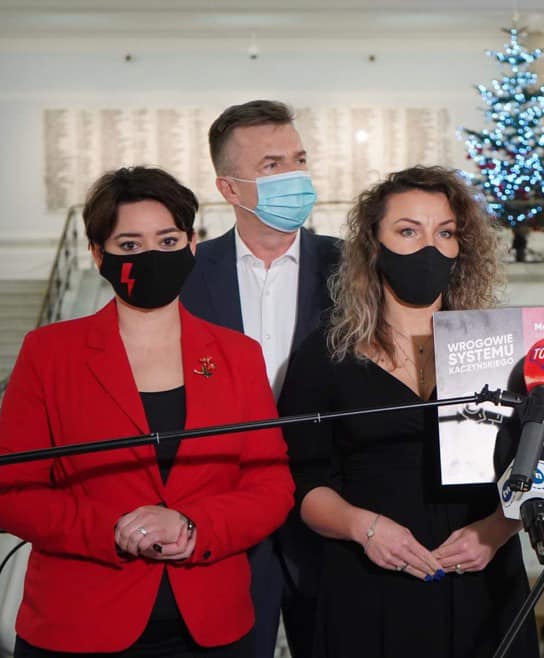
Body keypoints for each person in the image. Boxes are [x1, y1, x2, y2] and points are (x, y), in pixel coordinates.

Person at [0, 166, 293, 656]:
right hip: (78, 624)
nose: (152, 256)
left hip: (212, 626)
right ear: (97, 255)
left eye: (168, 241)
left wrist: (193, 526)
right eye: (129, 245)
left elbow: (271, 486)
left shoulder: (238, 355)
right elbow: (10, 492)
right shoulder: (49, 353)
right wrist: (115, 529)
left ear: (192, 245)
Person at [280, 165, 544, 658]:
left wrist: (495, 531)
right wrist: (365, 528)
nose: (430, 248)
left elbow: (537, 467)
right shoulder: (325, 354)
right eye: (408, 231)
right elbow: (302, 483)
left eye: (445, 233)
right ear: (373, 245)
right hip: (368, 589)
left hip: (483, 587)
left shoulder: (501, 348)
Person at [180, 99, 339, 658]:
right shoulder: (185, 275)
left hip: (331, 510)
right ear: (229, 188)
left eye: (299, 160)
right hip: (225, 516)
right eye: (272, 165)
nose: (294, 176)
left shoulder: (352, 270)